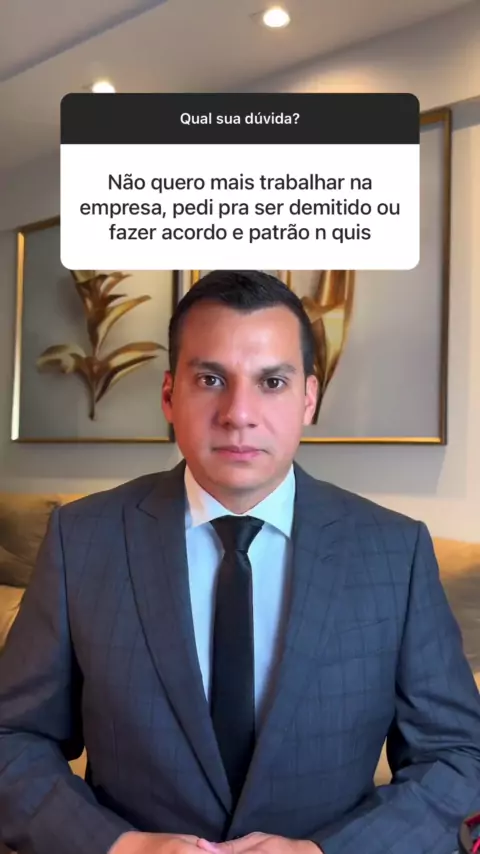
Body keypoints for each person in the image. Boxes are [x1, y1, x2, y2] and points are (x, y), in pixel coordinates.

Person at [0, 270, 479, 854]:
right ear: (169, 396)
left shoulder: (396, 551)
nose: (238, 413)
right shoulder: (81, 539)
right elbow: (12, 739)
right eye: (210, 379)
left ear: (309, 398)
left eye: (271, 382)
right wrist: (119, 845)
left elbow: (458, 756)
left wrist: (327, 852)